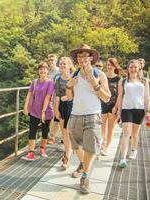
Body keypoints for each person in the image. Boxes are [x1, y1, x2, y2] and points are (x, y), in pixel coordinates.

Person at [66, 44, 111, 194]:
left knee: (90, 149)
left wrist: (95, 83)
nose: (82, 59)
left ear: (91, 58)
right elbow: (70, 97)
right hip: (75, 115)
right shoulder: (75, 74)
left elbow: (107, 98)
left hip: (93, 115)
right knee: (75, 147)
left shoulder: (100, 74)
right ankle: (83, 164)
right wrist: (68, 86)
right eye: (79, 56)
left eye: (85, 56)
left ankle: (85, 177)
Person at [117, 59, 149, 168]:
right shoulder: (123, 81)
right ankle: (123, 158)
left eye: (135, 67)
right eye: (131, 67)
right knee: (126, 133)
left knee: (135, 133)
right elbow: (120, 97)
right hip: (127, 109)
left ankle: (134, 149)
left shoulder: (144, 81)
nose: (133, 69)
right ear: (128, 68)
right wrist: (118, 111)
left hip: (140, 109)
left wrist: (148, 110)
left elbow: (147, 97)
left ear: (139, 68)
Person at [22, 62, 55, 161]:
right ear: (38, 71)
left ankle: (42, 149)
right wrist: (25, 107)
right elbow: (30, 94)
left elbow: (47, 97)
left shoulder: (50, 83)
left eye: (45, 69)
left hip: (46, 110)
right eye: (41, 69)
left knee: (45, 131)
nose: (43, 71)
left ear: (47, 71)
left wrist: (43, 111)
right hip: (34, 110)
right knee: (32, 130)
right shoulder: (34, 82)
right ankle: (31, 153)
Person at [100, 58, 125, 156]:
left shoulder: (119, 79)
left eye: (111, 65)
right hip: (102, 104)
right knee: (102, 127)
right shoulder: (103, 76)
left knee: (110, 128)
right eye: (108, 65)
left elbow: (119, 94)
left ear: (115, 66)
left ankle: (107, 147)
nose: (109, 67)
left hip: (112, 106)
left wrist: (116, 107)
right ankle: (103, 142)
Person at [54, 57, 74, 169]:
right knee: (64, 132)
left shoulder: (74, 78)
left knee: (69, 132)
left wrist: (68, 97)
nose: (62, 66)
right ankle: (67, 154)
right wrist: (56, 110)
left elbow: (78, 94)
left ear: (69, 65)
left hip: (72, 106)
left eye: (64, 64)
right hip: (61, 106)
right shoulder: (58, 79)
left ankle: (68, 153)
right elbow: (57, 96)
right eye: (60, 64)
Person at [47, 54, 61, 144]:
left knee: (57, 116)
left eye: (52, 60)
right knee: (51, 116)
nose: (51, 62)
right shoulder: (47, 71)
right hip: (49, 97)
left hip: (58, 96)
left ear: (56, 61)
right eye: (49, 60)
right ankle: (52, 135)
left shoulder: (59, 71)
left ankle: (52, 137)